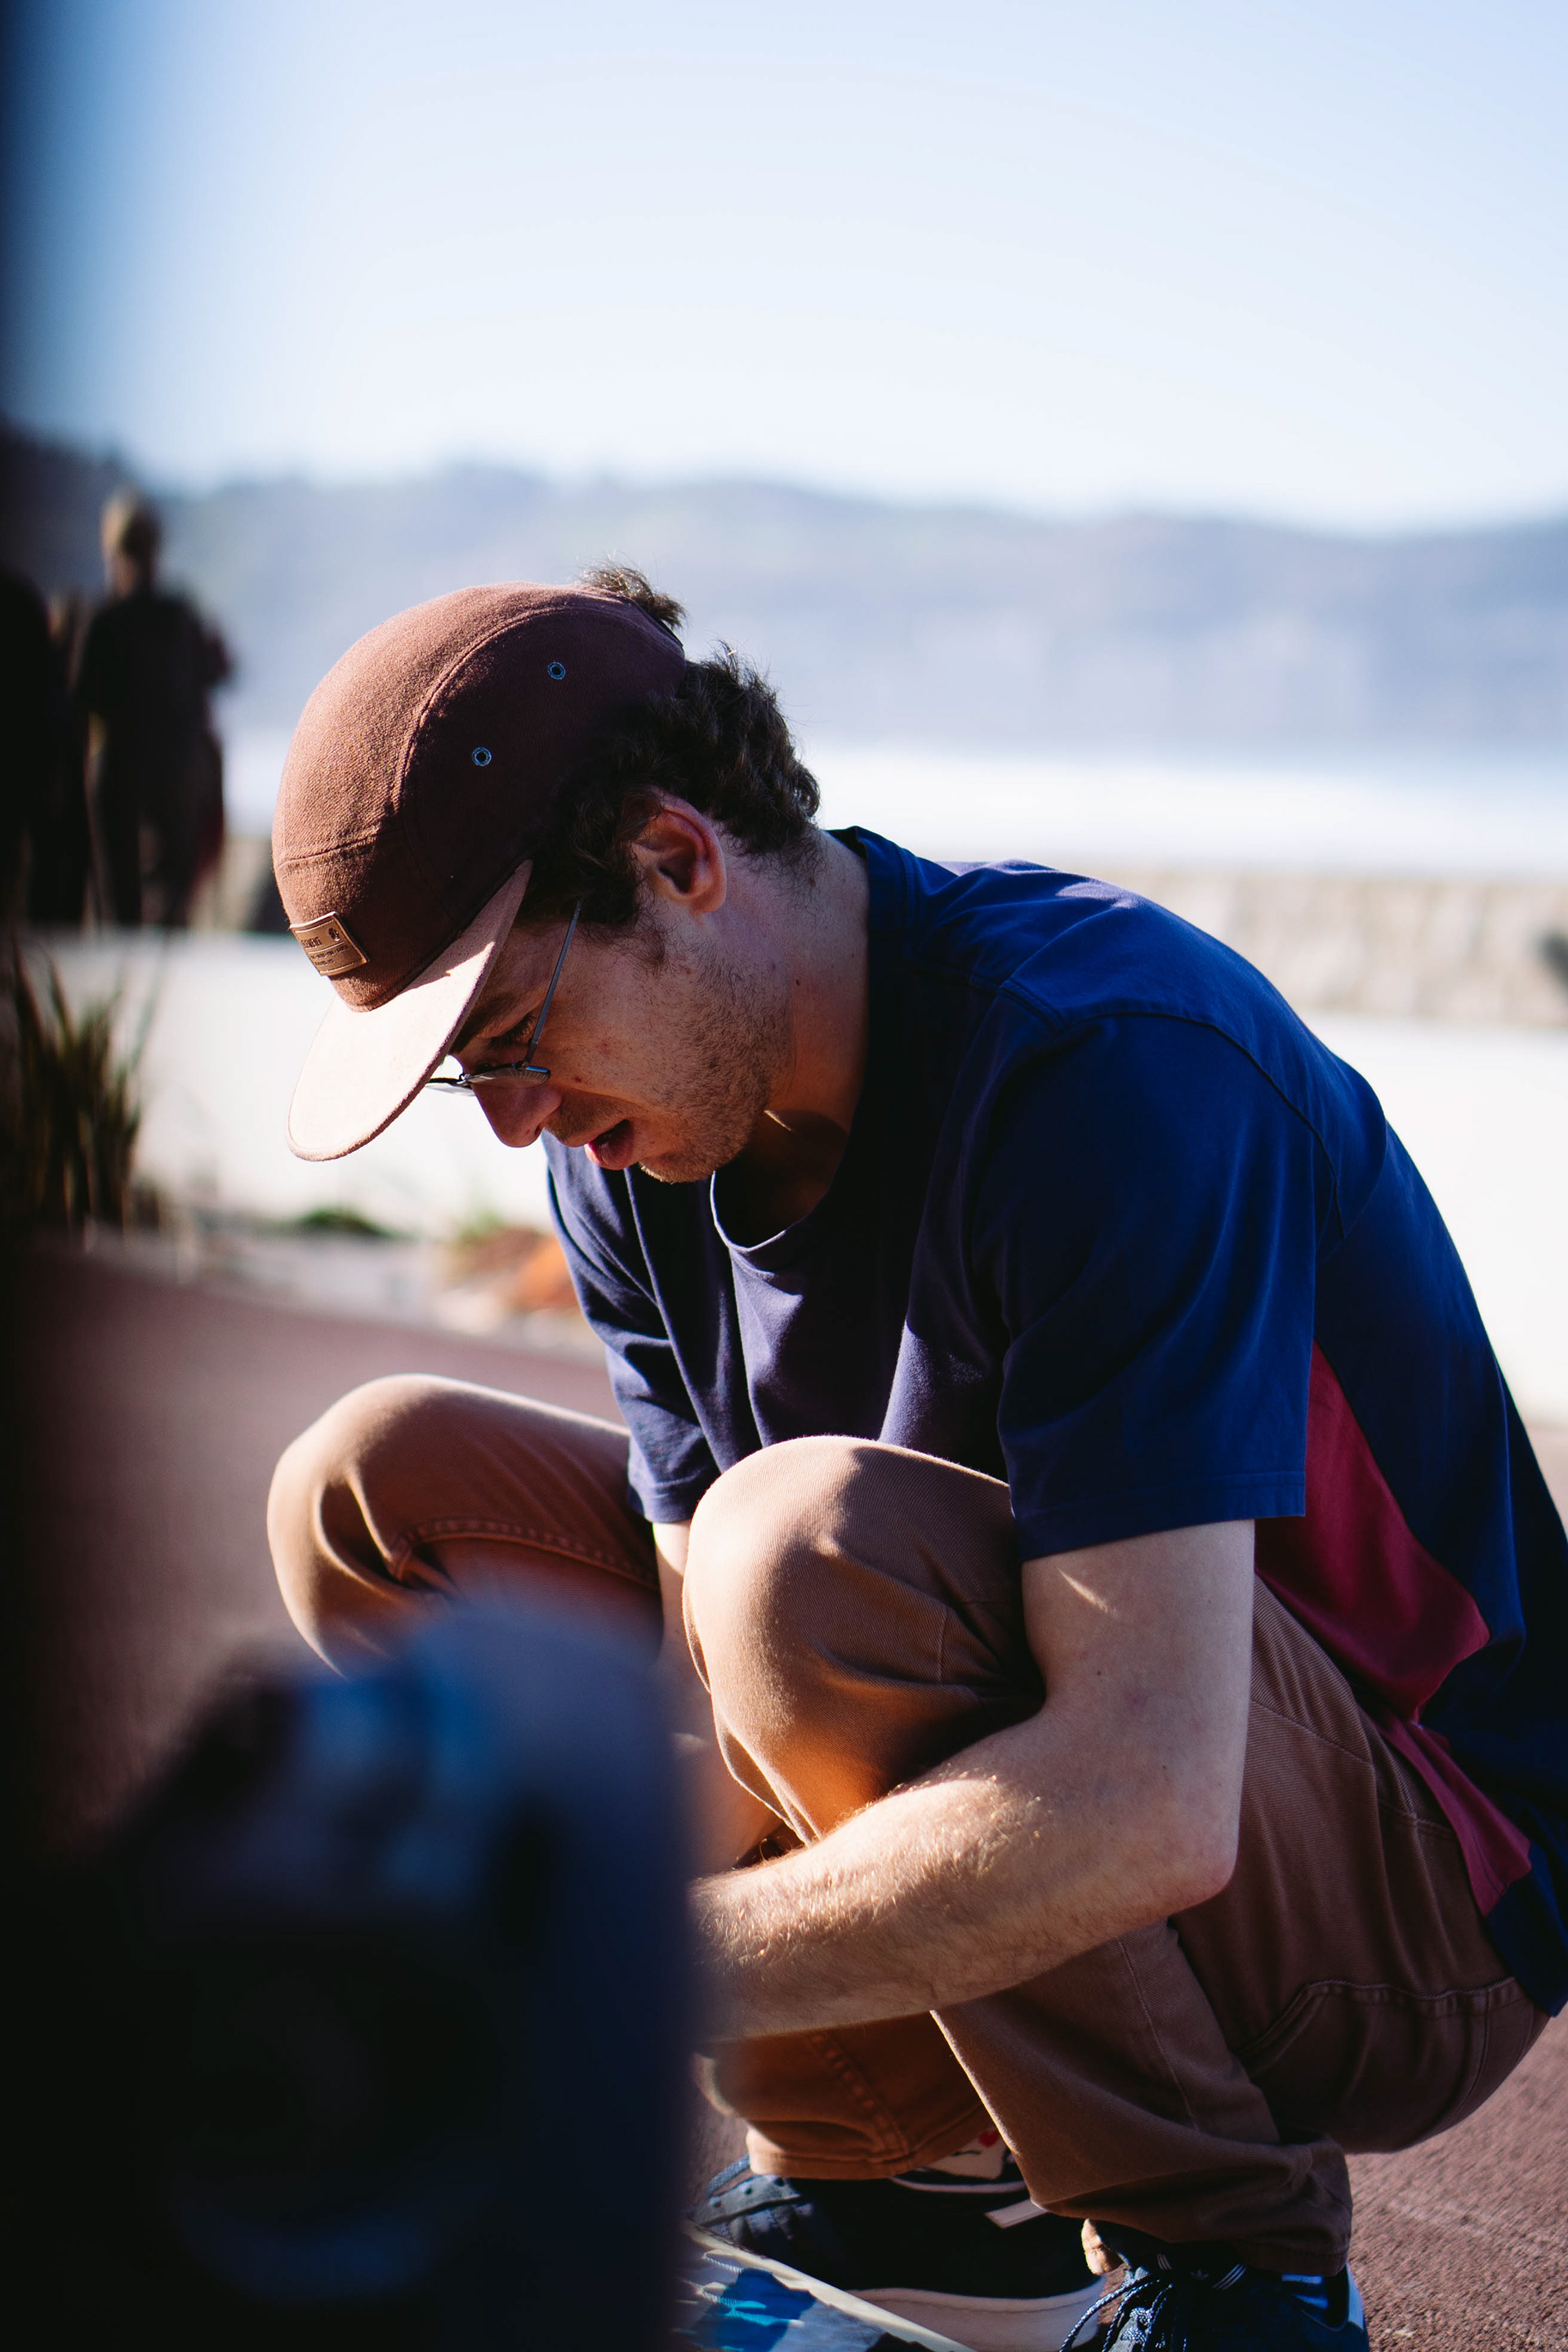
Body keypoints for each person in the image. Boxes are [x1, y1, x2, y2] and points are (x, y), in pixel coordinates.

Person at [265, 573, 1566, 2352]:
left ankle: (1234, 2261)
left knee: (797, 1559)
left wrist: (623, 1975)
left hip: (1412, 1890)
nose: (511, 1122)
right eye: (459, 1078)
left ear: (676, 859)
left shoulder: (1107, 1065)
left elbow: (1148, 1795)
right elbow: (706, 1695)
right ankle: (911, 2184)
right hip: (1073, 1767)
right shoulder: (628, 1145)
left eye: (508, 1035)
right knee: (374, 1493)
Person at [76, 492, 231, 927]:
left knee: (119, 898)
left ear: (112, 549)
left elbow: (83, 698)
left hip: (120, 764)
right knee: (173, 896)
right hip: (178, 765)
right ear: (156, 549)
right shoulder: (179, 616)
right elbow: (215, 672)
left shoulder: (105, 620)